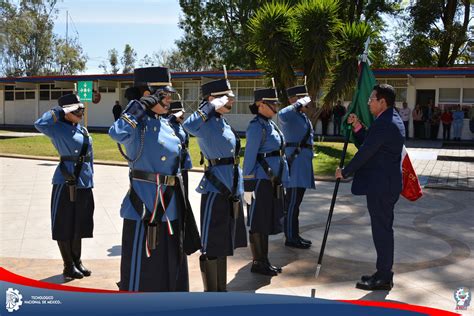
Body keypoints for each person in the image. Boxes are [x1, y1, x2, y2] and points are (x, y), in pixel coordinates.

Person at [109, 66, 200, 292]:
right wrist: (139, 105)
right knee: (145, 275)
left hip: (172, 207)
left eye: (169, 94)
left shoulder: (168, 125)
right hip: (147, 209)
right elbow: (116, 133)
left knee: (172, 270)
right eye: (163, 94)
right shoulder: (136, 124)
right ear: (148, 94)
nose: (168, 99)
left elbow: (182, 163)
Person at [335, 84, 405, 291]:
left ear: (382, 101)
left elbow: (366, 152)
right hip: (385, 183)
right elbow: (371, 144)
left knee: (382, 231)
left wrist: (345, 171)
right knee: (382, 229)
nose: (368, 102)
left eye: (371, 99)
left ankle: (384, 276)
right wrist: (357, 126)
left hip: (382, 185)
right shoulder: (389, 119)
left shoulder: (385, 123)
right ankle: (383, 272)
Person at [183, 78, 247, 292]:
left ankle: (221, 290)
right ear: (213, 99)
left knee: (223, 242)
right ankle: (212, 292)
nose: (231, 100)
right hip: (216, 189)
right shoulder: (206, 122)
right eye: (226, 97)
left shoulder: (221, 121)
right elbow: (188, 125)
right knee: (212, 244)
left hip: (231, 189)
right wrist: (209, 106)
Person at [34, 93, 94, 280]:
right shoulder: (57, 128)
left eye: (82, 109)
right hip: (66, 181)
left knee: (79, 225)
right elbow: (39, 124)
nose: (80, 112)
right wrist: (58, 111)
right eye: (76, 110)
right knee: (64, 224)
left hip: (84, 183)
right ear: (66, 112)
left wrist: (90, 180)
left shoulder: (82, 131)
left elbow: (89, 160)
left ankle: (77, 262)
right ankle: (68, 265)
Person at [243, 87, 289, 276]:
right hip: (261, 181)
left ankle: (265, 260)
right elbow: (249, 157)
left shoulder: (270, 124)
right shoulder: (256, 127)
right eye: (273, 103)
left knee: (266, 222)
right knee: (258, 222)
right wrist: (248, 185)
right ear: (261, 105)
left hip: (273, 181)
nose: (276, 106)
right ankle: (258, 262)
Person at [278, 85, 315, 249]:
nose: (306, 101)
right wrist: (298, 104)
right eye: (302, 97)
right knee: (292, 204)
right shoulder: (291, 114)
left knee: (296, 204)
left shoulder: (302, 116)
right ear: (294, 99)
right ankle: (290, 237)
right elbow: (281, 114)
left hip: (303, 166)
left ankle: (295, 234)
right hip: (295, 165)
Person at [168, 101, 192, 196]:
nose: (183, 116)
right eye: (180, 113)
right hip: (174, 163)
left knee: (184, 191)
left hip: (183, 162)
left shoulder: (180, 125)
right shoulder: (168, 125)